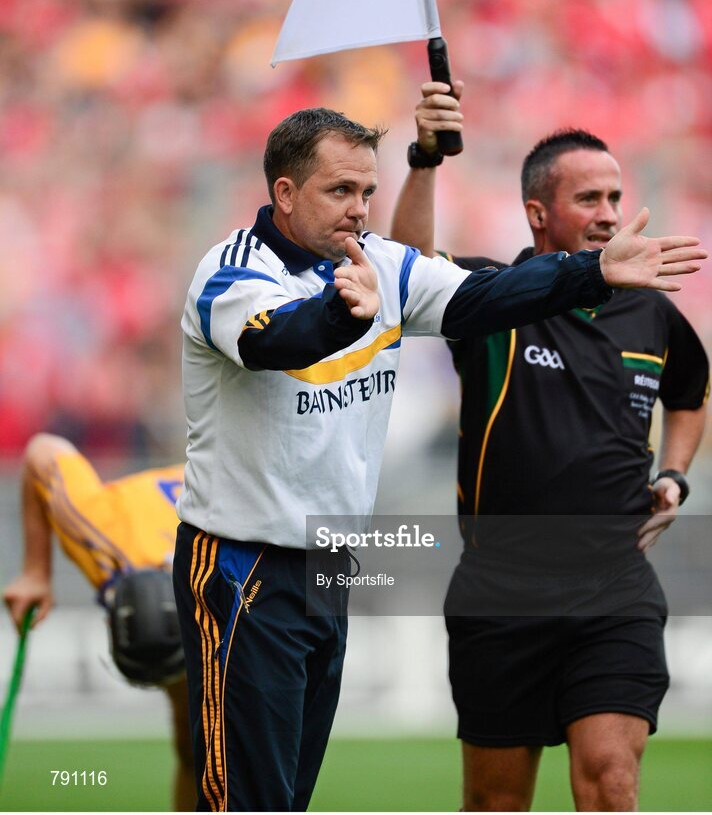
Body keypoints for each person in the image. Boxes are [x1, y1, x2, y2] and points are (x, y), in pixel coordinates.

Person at [174, 103, 706, 812]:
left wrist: (592, 272)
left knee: (289, 794)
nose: (360, 209)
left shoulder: (380, 264)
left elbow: (486, 294)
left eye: (367, 192)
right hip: (245, 559)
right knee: (247, 798)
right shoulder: (234, 273)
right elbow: (279, 341)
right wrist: (342, 314)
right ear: (285, 193)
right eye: (341, 192)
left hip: (329, 560)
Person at [391, 82, 710, 812]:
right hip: (500, 593)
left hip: (614, 590)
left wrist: (675, 475)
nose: (609, 214)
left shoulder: (652, 312)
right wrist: (425, 159)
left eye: (615, 197)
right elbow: (404, 270)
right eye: (589, 198)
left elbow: (691, 393)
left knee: (610, 781)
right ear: (538, 213)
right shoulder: (489, 298)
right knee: (496, 804)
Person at [2, 433, 193, 812]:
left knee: (206, 746)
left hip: (219, 536)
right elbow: (42, 451)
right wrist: (35, 571)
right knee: (195, 745)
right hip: (187, 557)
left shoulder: (230, 569)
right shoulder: (94, 526)